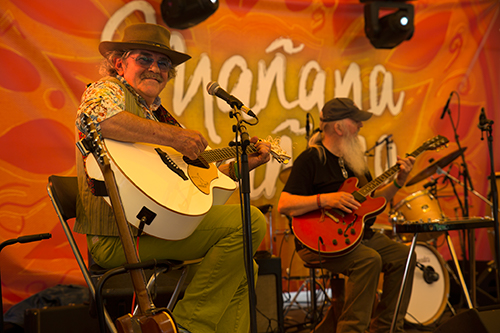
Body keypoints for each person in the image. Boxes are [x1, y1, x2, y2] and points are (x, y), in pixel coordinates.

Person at [74, 22, 271, 333]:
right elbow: (97, 118)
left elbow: (193, 182)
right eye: (145, 59)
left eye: (163, 63)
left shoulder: (159, 116)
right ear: (119, 63)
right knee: (251, 222)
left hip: (158, 226)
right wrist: (174, 137)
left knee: (247, 266)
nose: (155, 68)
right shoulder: (108, 90)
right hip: (118, 238)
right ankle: (189, 326)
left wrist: (243, 164)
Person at [278, 98, 416, 333]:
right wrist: (326, 199)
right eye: (356, 121)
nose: (361, 126)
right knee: (368, 260)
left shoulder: (355, 162)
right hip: (318, 242)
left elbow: (373, 201)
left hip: (358, 235)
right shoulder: (311, 159)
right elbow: (284, 204)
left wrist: (399, 182)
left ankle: (387, 328)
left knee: (405, 255)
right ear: (339, 127)